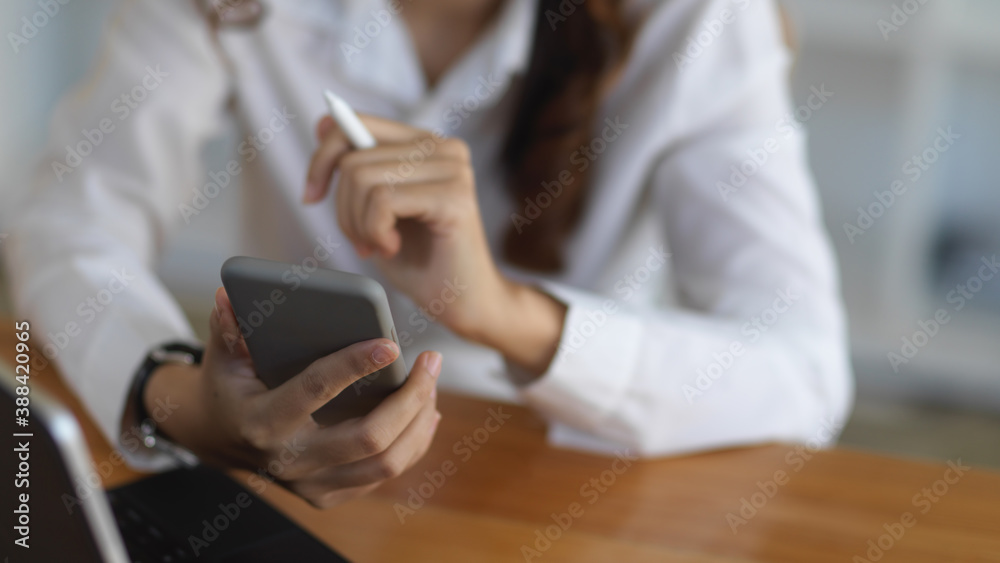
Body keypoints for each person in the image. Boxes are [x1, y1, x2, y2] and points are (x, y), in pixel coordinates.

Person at [2, 0, 852, 508]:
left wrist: (499, 310)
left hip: (565, 494)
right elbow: (70, 222)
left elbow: (804, 372)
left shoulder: (696, 19)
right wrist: (178, 398)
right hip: (296, 491)